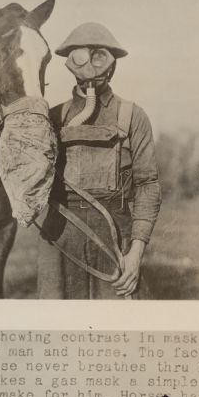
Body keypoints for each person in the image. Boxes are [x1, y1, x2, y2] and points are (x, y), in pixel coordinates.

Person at [37, 22, 162, 299]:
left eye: (99, 55)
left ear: (112, 63)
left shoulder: (131, 116)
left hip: (113, 231)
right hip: (60, 232)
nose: (90, 67)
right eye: (80, 56)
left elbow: (148, 184)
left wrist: (136, 253)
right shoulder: (52, 118)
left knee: (115, 320)